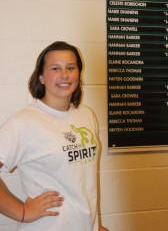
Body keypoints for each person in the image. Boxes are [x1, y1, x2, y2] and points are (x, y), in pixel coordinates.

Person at [0, 41, 108, 231]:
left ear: (78, 74)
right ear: (41, 77)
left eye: (71, 68)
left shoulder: (87, 115)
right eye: (55, 68)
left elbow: (82, 180)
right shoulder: (24, 122)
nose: (64, 75)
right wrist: (22, 212)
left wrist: (94, 225)